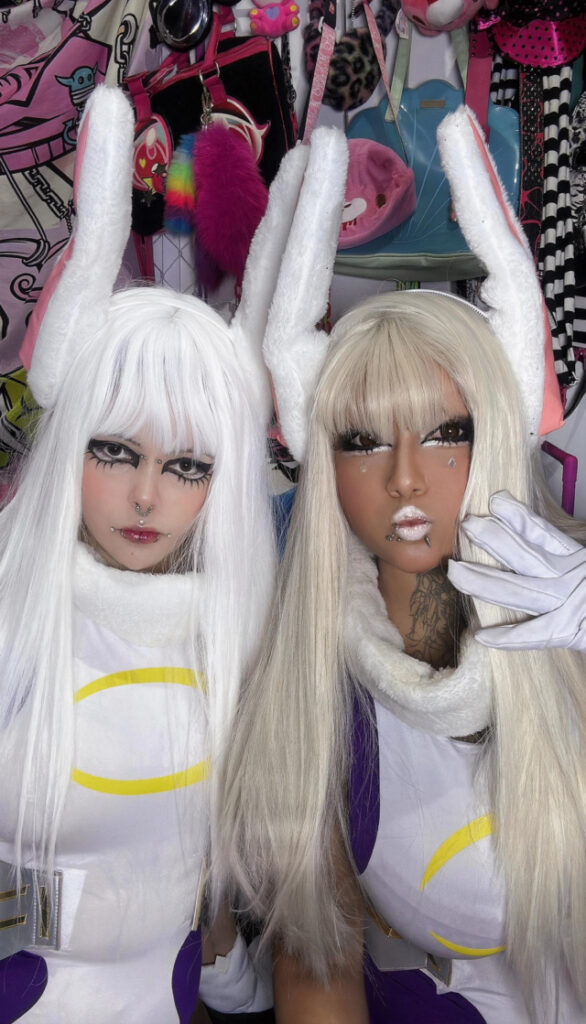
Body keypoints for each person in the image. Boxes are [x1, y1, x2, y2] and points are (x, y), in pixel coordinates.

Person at [220, 111, 586, 1023]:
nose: (407, 477)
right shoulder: (314, 706)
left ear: (494, 432)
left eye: (446, 432)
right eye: (363, 440)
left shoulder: (571, 621)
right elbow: (318, 958)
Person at [0, 86, 278, 1023]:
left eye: (187, 465)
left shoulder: (241, 639)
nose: (148, 497)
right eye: (116, 452)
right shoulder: (12, 610)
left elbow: (215, 911)